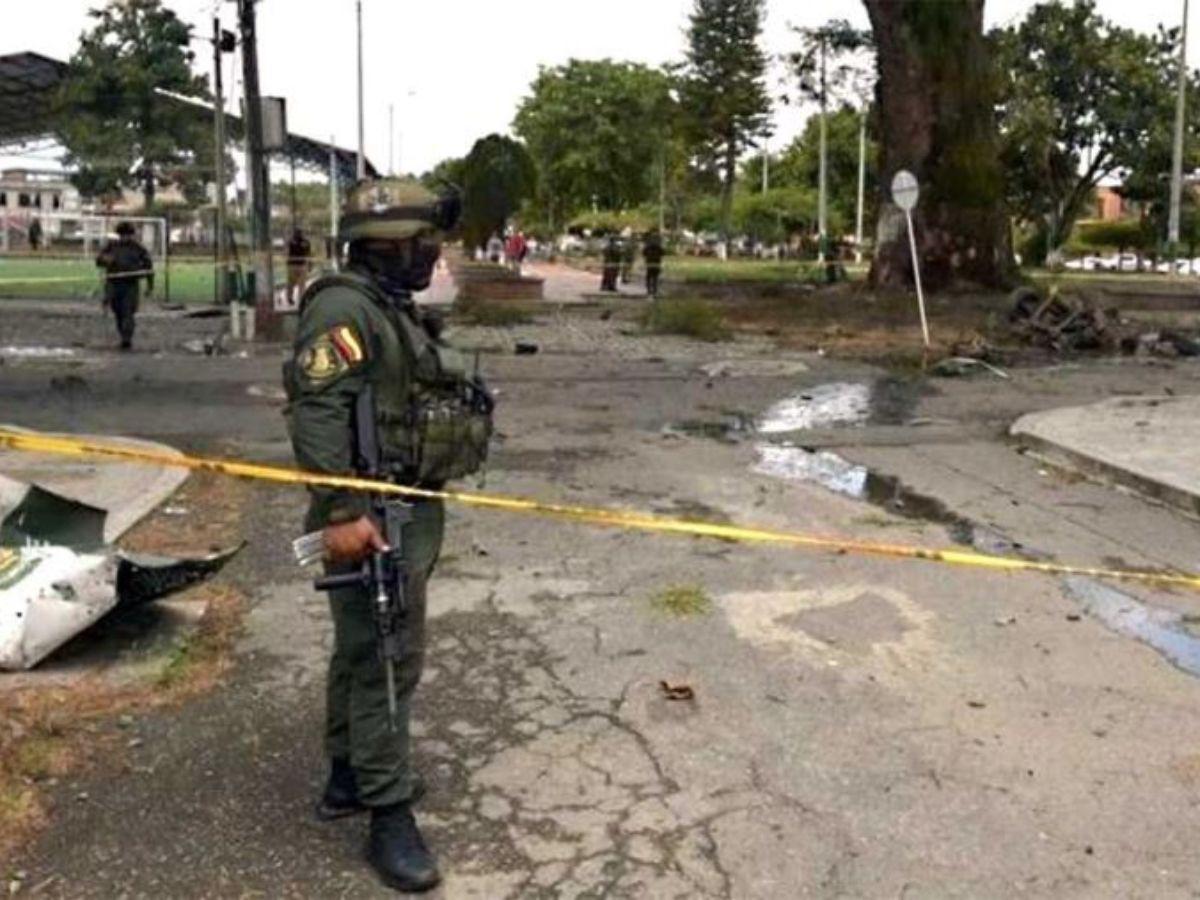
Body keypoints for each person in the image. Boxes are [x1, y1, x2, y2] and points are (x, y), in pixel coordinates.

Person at [284, 179, 490, 894]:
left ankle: (348, 775)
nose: (434, 255)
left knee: (362, 649)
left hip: (398, 503)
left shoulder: (382, 304)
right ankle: (388, 812)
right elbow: (316, 412)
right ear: (388, 245)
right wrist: (343, 511)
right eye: (425, 243)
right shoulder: (343, 310)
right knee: (388, 657)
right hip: (372, 512)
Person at [95, 222, 153, 351]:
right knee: (118, 312)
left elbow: (149, 266)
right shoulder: (112, 246)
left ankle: (127, 338)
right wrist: (105, 260)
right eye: (123, 235)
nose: (125, 238)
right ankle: (122, 334)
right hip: (113, 283)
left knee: (128, 312)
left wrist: (149, 285)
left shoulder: (138, 248)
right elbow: (99, 260)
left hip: (130, 285)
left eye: (128, 235)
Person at [286, 227, 313, 307]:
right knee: (300, 285)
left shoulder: (291, 241)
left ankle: (292, 298)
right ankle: (299, 299)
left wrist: (310, 264)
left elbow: (286, 252)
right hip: (300, 265)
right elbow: (309, 254)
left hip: (294, 265)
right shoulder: (305, 242)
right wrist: (310, 265)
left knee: (292, 283)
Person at [643, 230, 665, 299]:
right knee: (655, 277)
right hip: (656, 262)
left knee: (649, 277)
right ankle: (654, 291)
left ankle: (649, 290)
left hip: (650, 262)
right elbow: (663, 253)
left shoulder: (648, 245)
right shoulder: (658, 245)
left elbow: (644, 252)